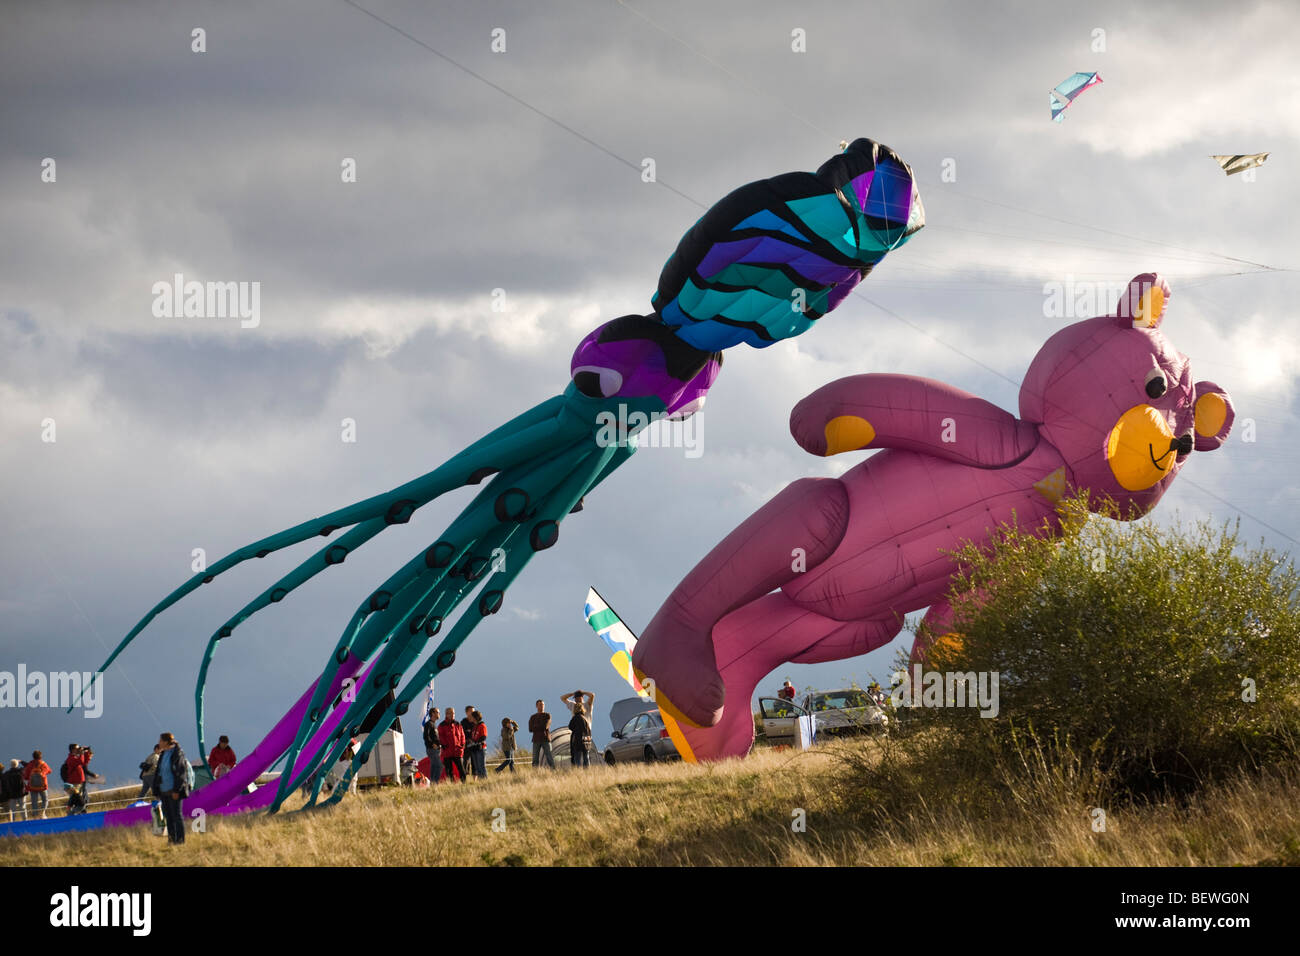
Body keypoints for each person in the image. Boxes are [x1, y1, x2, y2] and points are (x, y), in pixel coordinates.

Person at [151, 732, 193, 845]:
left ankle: (180, 841)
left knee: (177, 816)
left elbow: (181, 773)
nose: (159, 743)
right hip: (164, 791)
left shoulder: (177, 754)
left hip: (174, 791)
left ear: (165, 742)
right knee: (168, 816)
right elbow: (159, 772)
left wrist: (176, 790)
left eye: (160, 740)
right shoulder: (163, 754)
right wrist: (156, 789)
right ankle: (171, 839)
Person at [437, 707, 466, 783]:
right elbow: (440, 737)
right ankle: (452, 783)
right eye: (451, 713)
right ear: (447, 714)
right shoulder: (442, 725)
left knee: (461, 768)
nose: (453, 715)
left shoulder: (458, 724)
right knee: (449, 770)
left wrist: (462, 745)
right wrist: (445, 745)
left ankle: (464, 782)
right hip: (447, 752)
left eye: (454, 713)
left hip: (457, 751)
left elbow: (462, 735)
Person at [62, 743, 92, 813]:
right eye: (77, 748)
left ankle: (80, 814)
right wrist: (81, 753)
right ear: (73, 750)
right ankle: (72, 814)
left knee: (80, 801)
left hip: (79, 783)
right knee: (79, 802)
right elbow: (81, 761)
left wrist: (86, 753)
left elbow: (84, 763)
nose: (79, 749)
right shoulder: (71, 759)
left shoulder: (76, 758)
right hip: (74, 784)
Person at [22, 750, 52, 819]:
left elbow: (26, 777)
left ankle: (35, 815)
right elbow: (49, 770)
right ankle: (42, 814)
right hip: (42, 786)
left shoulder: (30, 764)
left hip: (32, 787)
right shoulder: (43, 764)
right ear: (40, 756)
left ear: (33, 756)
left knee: (34, 801)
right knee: (45, 800)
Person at [566, 698, 593, 769]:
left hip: (578, 740)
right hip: (586, 740)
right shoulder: (585, 718)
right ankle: (587, 771)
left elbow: (570, 726)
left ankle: (578, 771)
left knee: (577, 757)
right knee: (586, 757)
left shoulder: (575, 718)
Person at [528, 699, 555, 769]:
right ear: (536, 706)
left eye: (543, 705)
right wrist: (540, 726)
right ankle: (535, 773)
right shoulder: (533, 717)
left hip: (545, 739)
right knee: (535, 759)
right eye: (540, 705)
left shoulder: (547, 715)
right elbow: (530, 729)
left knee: (549, 757)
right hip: (536, 739)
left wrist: (536, 726)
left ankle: (554, 771)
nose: (542, 706)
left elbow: (545, 726)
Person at [467, 709, 489, 779]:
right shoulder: (474, 726)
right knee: (477, 767)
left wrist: (475, 742)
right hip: (474, 749)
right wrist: (471, 741)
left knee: (481, 766)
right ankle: (480, 780)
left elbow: (483, 737)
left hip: (480, 748)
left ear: (475, 717)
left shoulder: (482, 726)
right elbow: (473, 737)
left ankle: (484, 780)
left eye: (472, 717)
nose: (471, 718)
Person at [421, 713, 441, 780]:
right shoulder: (428, 724)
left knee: (434, 766)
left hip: (436, 749)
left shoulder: (433, 724)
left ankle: (433, 782)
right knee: (438, 765)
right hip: (432, 749)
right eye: (437, 712)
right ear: (433, 714)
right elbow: (426, 736)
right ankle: (435, 782)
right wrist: (432, 744)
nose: (439, 714)